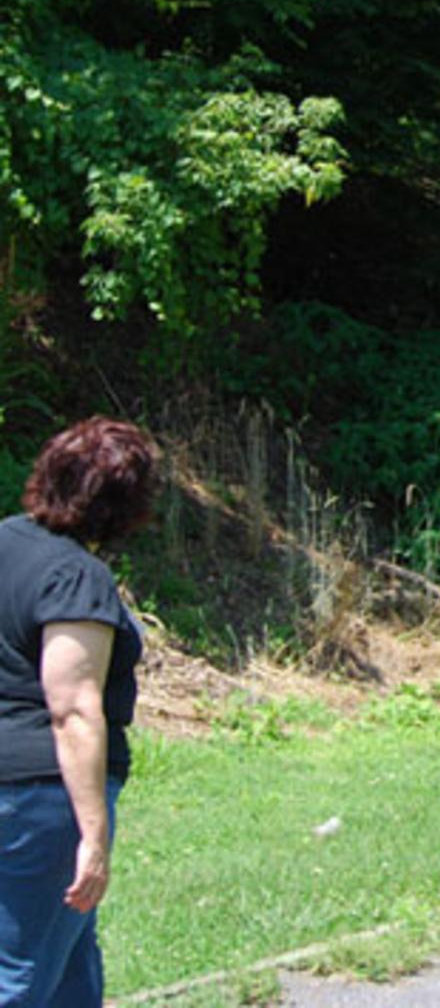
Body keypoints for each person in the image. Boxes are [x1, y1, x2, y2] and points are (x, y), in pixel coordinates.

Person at [0, 415, 158, 1006]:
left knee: (70, 967)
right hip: (41, 799)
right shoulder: (76, 577)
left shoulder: (7, 541)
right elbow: (72, 709)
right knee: (20, 978)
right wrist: (92, 835)